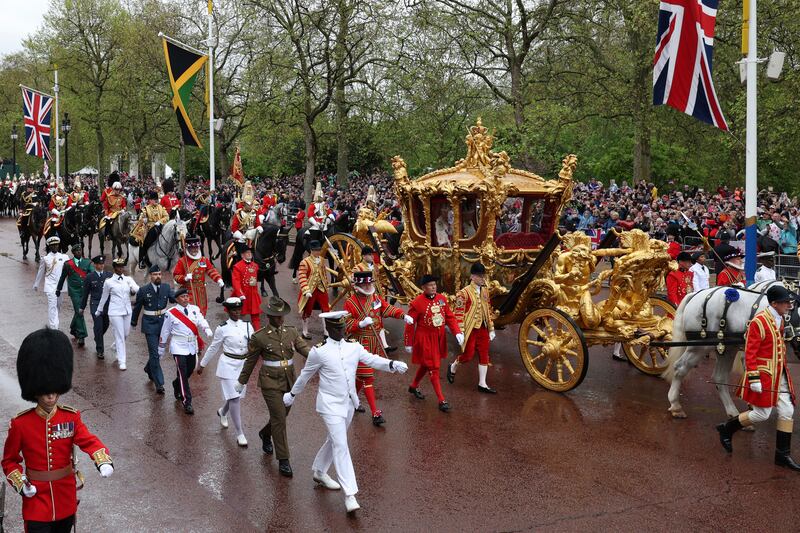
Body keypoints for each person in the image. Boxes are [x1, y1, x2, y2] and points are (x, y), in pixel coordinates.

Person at [283, 311, 408, 512]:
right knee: (341, 444)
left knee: (335, 440)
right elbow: (305, 376)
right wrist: (292, 394)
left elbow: (372, 359)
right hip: (329, 405)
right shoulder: (319, 351)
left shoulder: (353, 346)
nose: (342, 331)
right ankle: (350, 494)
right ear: (329, 328)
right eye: (338, 328)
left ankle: (320, 471)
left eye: (343, 327)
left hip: (349, 403)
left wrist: (392, 364)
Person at [2, 329, 114, 532]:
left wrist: (102, 459)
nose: (51, 397)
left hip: (65, 498)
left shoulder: (70, 417)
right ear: (36, 392)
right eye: (46, 393)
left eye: (54, 392)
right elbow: (9, 461)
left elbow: (88, 440)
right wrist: (21, 484)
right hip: (36, 500)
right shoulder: (21, 424)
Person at [715, 285, 800, 471]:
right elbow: (750, 352)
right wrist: (754, 379)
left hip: (779, 373)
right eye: (786, 302)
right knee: (762, 414)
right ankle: (727, 428)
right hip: (764, 375)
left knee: (787, 410)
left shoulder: (780, 319)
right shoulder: (759, 322)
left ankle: (782, 455)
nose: (789, 305)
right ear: (774, 303)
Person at [237, 297, 310, 476]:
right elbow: (251, 361)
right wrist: (241, 381)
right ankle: (284, 460)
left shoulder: (291, 332)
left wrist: (321, 359)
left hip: (289, 380)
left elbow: (305, 349)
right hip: (270, 381)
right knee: (279, 418)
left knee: (282, 415)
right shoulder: (259, 336)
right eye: (277, 316)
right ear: (269, 316)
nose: (281, 319)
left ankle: (265, 433)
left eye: (282, 316)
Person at [344, 271, 412, 426]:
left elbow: (387, 309)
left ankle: (350, 397)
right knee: (368, 377)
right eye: (365, 284)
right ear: (358, 286)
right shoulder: (351, 302)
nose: (368, 286)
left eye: (370, 283)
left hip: (374, 341)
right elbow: (346, 325)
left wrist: (402, 315)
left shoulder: (375, 298)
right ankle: (375, 413)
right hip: (360, 342)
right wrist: (360, 323)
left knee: (362, 375)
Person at [199, 297, 254, 447]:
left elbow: (254, 345)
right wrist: (202, 364)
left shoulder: (248, 326)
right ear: (228, 311)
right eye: (234, 310)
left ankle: (223, 412)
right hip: (228, 365)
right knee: (235, 398)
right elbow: (214, 347)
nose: (237, 312)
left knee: (235, 396)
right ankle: (240, 433)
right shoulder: (222, 328)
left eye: (239, 309)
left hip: (243, 365)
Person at [404, 275, 463, 412]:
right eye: (430, 285)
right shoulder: (416, 303)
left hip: (438, 338)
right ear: (424, 288)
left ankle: (413, 386)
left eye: (434, 284)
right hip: (424, 339)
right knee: (434, 367)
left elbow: (449, 316)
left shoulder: (441, 299)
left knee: (427, 364)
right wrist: (408, 342)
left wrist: (457, 332)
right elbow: (409, 323)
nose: (434, 287)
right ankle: (441, 400)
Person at [158, 288, 213, 415]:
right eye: (182, 297)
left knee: (190, 370)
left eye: (187, 296)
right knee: (182, 373)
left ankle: (176, 384)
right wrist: (161, 347)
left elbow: (201, 320)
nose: (186, 299)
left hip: (192, 346)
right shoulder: (171, 313)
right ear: (177, 299)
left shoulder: (194, 309)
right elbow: (165, 331)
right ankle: (187, 401)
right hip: (178, 346)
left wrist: (206, 328)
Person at [447, 263, 497, 393]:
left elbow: (487, 310)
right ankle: (453, 366)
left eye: (483, 276)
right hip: (470, 329)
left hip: (483, 328)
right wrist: (460, 332)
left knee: (484, 354)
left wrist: (491, 328)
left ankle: (482, 383)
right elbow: (458, 314)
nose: (482, 278)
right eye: (480, 276)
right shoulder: (463, 293)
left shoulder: (485, 291)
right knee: (468, 355)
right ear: (472, 277)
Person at [131, 265, 175, 395]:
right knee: (154, 353)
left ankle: (149, 369)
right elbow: (138, 307)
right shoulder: (144, 290)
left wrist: (183, 288)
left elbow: (173, 298)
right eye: (155, 274)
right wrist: (133, 322)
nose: (158, 277)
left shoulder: (166, 287)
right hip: (150, 324)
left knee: (158, 353)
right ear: (150, 276)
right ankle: (159, 383)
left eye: (160, 274)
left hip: (163, 324)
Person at [96, 257, 139, 370]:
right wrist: (99, 310)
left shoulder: (128, 279)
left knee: (125, 334)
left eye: (122, 267)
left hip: (127, 310)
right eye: (118, 267)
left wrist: (133, 289)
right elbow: (104, 297)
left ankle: (115, 346)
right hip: (115, 311)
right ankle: (122, 360)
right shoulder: (108, 282)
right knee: (120, 335)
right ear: (114, 268)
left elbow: (137, 289)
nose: (121, 269)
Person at [172, 235, 225, 316]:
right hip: (188, 291)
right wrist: (184, 278)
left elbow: (211, 270)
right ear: (188, 248)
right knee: (190, 313)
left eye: (196, 247)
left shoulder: (203, 260)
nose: (195, 249)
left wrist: (218, 279)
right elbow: (176, 276)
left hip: (201, 291)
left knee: (202, 311)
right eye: (193, 248)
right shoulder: (182, 261)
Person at [55, 243, 94, 347]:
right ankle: (82, 335)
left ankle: (73, 328)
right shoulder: (68, 264)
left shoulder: (88, 262)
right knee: (79, 311)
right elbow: (62, 277)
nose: (79, 252)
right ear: (73, 253)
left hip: (85, 291)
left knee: (78, 312)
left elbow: (93, 275)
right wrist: (58, 288)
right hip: (74, 291)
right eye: (76, 251)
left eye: (80, 250)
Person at [32, 236, 69, 329]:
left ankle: (55, 322)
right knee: (52, 306)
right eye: (52, 245)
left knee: (58, 305)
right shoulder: (45, 258)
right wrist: (36, 284)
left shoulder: (64, 257)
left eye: (56, 245)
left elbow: (70, 271)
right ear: (49, 246)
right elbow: (41, 272)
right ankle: (54, 327)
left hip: (61, 286)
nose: (55, 247)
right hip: (50, 286)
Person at [297, 240, 331, 339]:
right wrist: (306, 290)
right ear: (311, 250)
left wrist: (326, 285)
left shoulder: (322, 260)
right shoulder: (305, 262)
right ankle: (305, 330)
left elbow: (324, 273)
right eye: (316, 250)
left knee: (326, 309)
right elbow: (302, 276)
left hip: (321, 288)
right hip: (310, 290)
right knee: (307, 310)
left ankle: (326, 331)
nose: (318, 252)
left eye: (319, 250)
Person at [80, 255, 112, 359]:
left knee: (106, 324)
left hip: (107, 305)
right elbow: (85, 293)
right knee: (98, 326)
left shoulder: (109, 275)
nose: (101, 266)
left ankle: (97, 337)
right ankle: (100, 350)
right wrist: (82, 307)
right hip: (95, 304)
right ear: (95, 265)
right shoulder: (90, 277)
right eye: (99, 264)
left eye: (102, 264)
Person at [134, 191, 169, 268]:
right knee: (144, 242)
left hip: (160, 226)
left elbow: (166, 217)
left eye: (156, 199)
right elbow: (141, 218)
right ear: (150, 200)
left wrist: (159, 221)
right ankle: (142, 260)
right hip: (149, 228)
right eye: (154, 199)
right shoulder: (146, 209)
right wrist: (144, 219)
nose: (156, 200)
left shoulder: (161, 208)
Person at [231, 246, 262, 329]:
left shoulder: (255, 265)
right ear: (242, 255)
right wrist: (240, 294)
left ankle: (257, 333)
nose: (249, 254)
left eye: (250, 253)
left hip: (253, 293)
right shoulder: (237, 266)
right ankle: (240, 331)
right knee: (241, 315)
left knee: (255, 315)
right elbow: (236, 282)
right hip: (243, 294)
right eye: (247, 253)